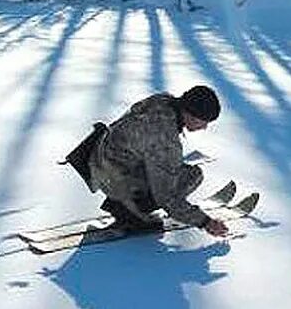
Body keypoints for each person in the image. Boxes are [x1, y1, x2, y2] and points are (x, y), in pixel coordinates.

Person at [65, 85, 229, 237]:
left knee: (174, 169)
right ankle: (130, 211)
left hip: (99, 160)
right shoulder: (165, 139)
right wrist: (205, 222)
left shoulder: (162, 101)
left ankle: (125, 202)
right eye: (204, 121)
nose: (205, 127)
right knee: (193, 175)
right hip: (113, 177)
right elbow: (167, 197)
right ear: (191, 114)